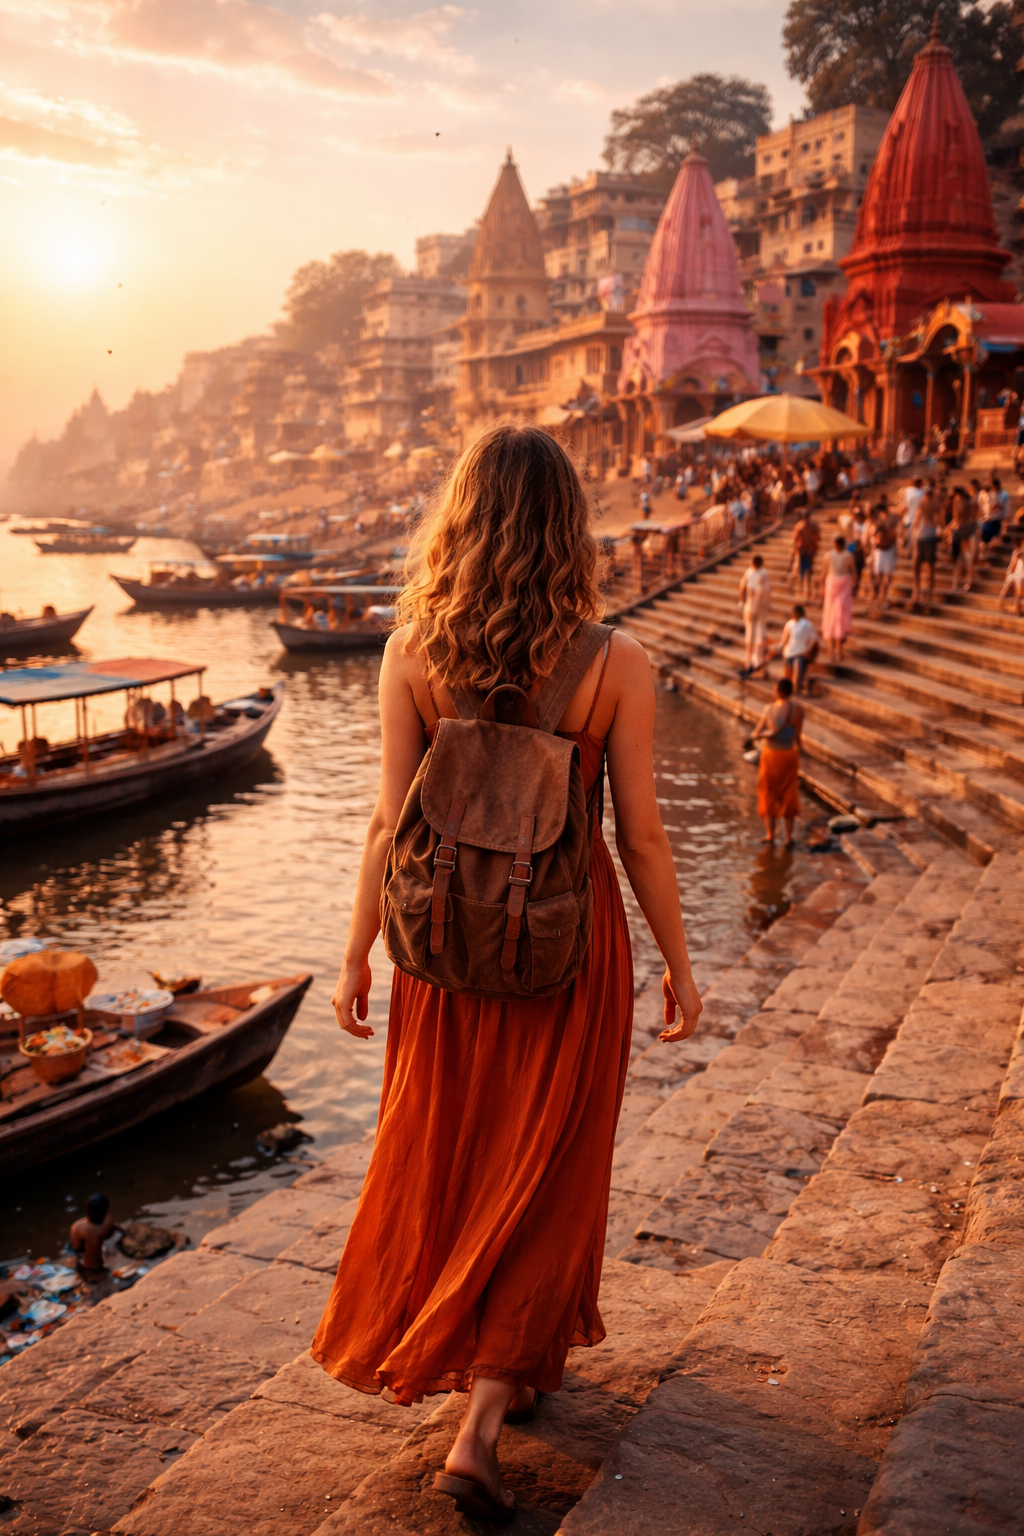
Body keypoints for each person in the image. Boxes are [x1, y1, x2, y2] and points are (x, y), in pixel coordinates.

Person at [310, 423, 702, 1523]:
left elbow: (388, 820)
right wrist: (679, 965)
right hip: (567, 952)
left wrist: (354, 953)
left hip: (438, 955)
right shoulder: (615, 664)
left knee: (455, 1149)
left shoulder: (407, 653)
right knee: (548, 1170)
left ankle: (477, 1369)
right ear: (569, 529)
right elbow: (644, 839)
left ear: (460, 521)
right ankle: (484, 1416)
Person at [752, 676, 803, 847]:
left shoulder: (769, 709)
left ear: (777, 691)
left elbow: (756, 732)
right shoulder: (798, 709)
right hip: (789, 754)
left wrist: (762, 735)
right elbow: (797, 736)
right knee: (789, 793)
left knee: (768, 793)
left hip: (771, 755)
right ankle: (788, 839)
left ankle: (770, 835)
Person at [70, 1193, 121, 1281]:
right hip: (98, 1270)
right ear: (105, 1213)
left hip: (82, 1267)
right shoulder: (106, 1225)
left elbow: (77, 1248)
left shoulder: (76, 1226)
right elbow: (114, 1234)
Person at [821, 534, 856, 662]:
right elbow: (854, 574)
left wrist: (821, 588)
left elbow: (823, 574)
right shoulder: (843, 556)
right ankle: (836, 651)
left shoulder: (832, 555)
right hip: (838, 584)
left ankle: (835, 650)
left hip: (836, 584)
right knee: (838, 616)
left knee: (836, 616)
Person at [739, 553, 772, 675]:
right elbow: (766, 591)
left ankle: (750, 661)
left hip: (753, 606)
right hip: (758, 606)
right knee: (757, 634)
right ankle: (754, 661)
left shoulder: (755, 573)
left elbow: (743, 586)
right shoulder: (762, 573)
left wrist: (741, 601)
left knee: (752, 634)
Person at [910, 481, 940, 608]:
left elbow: (916, 521)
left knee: (917, 565)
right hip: (931, 535)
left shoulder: (922, 503)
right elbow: (940, 521)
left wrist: (914, 533)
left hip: (922, 536)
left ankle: (916, 591)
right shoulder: (936, 504)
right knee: (930, 566)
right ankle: (930, 593)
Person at [779, 603, 818, 695]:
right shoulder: (790, 624)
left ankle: (796, 689)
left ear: (800, 614)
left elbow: (813, 641)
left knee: (796, 673)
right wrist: (781, 649)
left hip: (801, 653)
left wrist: (808, 653)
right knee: (788, 674)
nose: (793, 616)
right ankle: (790, 690)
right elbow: (785, 639)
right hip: (789, 652)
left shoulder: (807, 625)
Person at [945, 486, 977, 594]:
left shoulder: (958, 501)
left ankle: (956, 584)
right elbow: (973, 518)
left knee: (958, 559)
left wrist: (949, 529)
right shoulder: (971, 501)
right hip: (969, 530)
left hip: (959, 531)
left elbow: (956, 518)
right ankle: (968, 581)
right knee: (967, 557)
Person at [869, 504, 898, 608]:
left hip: (888, 550)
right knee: (878, 577)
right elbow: (872, 535)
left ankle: (883, 599)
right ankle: (877, 598)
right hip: (879, 551)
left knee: (886, 577)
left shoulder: (891, 520)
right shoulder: (877, 521)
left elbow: (893, 535)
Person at [790, 510, 820, 598]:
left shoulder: (799, 525)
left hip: (802, 551)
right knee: (808, 571)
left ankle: (802, 590)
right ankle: (807, 591)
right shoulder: (812, 526)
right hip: (808, 551)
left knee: (802, 571)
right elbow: (817, 538)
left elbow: (795, 539)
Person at [998, 545, 1024, 615]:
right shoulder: (1017, 552)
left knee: (1019, 580)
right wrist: (1016, 558)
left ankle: (1018, 608)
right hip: (1016, 577)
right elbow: (1010, 570)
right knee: (1015, 579)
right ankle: (1003, 603)